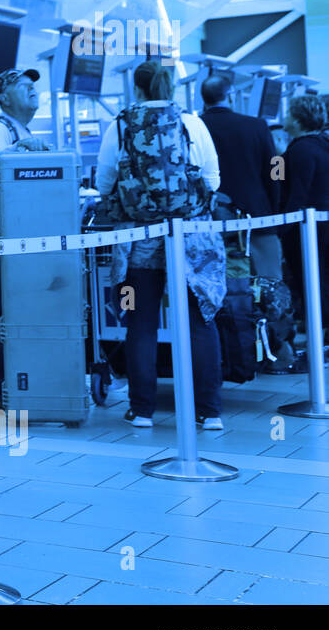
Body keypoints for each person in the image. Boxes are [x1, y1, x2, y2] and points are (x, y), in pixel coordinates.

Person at [96, 61, 225, 430]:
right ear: (172, 87)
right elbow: (213, 181)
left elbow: (105, 182)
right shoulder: (192, 123)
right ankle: (209, 412)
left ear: (136, 89)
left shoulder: (120, 124)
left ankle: (142, 411)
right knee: (200, 319)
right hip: (191, 236)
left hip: (139, 238)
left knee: (142, 323)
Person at [0, 68, 50, 411]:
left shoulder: (21, 130)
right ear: (5, 96)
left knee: (20, 307)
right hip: (3, 232)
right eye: (24, 85)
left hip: (24, 231)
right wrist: (18, 147)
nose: (33, 89)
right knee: (6, 308)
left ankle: (23, 376)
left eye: (34, 85)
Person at [199, 75, 281, 278]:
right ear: (231, 96)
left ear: (203, 99)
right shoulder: (257, 126)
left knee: (218, 287)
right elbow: (273, 171)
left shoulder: (196, 127)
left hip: (211, 221)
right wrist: (275, 208)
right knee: (267, 286)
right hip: (258, 217)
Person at [277, 95, 329, 327]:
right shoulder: (322, 145)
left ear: (298, 121)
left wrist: (281, 229)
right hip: (322, 226)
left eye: (288, 114)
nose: (285, 118)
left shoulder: (300, 151)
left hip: (306, 232)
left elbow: (296, 193)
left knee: (310, 282)